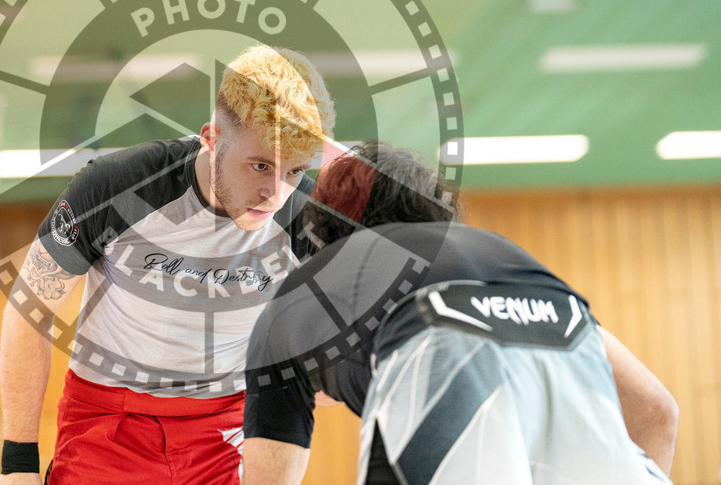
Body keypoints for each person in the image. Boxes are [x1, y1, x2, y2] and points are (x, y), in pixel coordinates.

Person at [242, 141, 680, 484]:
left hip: (434, 347)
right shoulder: (503, 253)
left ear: (323, 235)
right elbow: (657, 409)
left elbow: (269, 475)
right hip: (563, 332)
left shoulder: (303, 292)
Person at [0, 45, 335, 484]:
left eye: (294, 172)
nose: (275, 194)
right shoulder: (116, 187)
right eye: (259, 165)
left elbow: (331, 365)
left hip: (225, 427)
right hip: (107, 422)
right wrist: (17, 463)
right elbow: (31, 308)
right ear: (211, 139)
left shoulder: (312, 220)